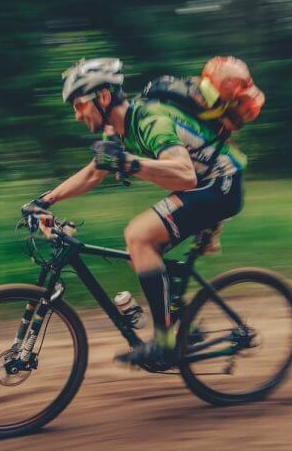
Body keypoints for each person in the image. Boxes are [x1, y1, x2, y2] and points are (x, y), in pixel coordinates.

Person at [21, 57, 265, 370]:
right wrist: (45, 201)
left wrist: (131, 164)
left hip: (222, 186)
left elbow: (184, 173)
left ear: (104, 97)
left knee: (139, 235)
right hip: (204, 185)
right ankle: (180, 329)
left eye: (80, 104)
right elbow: (96, 172)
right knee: (145, 247)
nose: (77, 113)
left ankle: (163, 343)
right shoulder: (117, 129)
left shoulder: (150, 120)